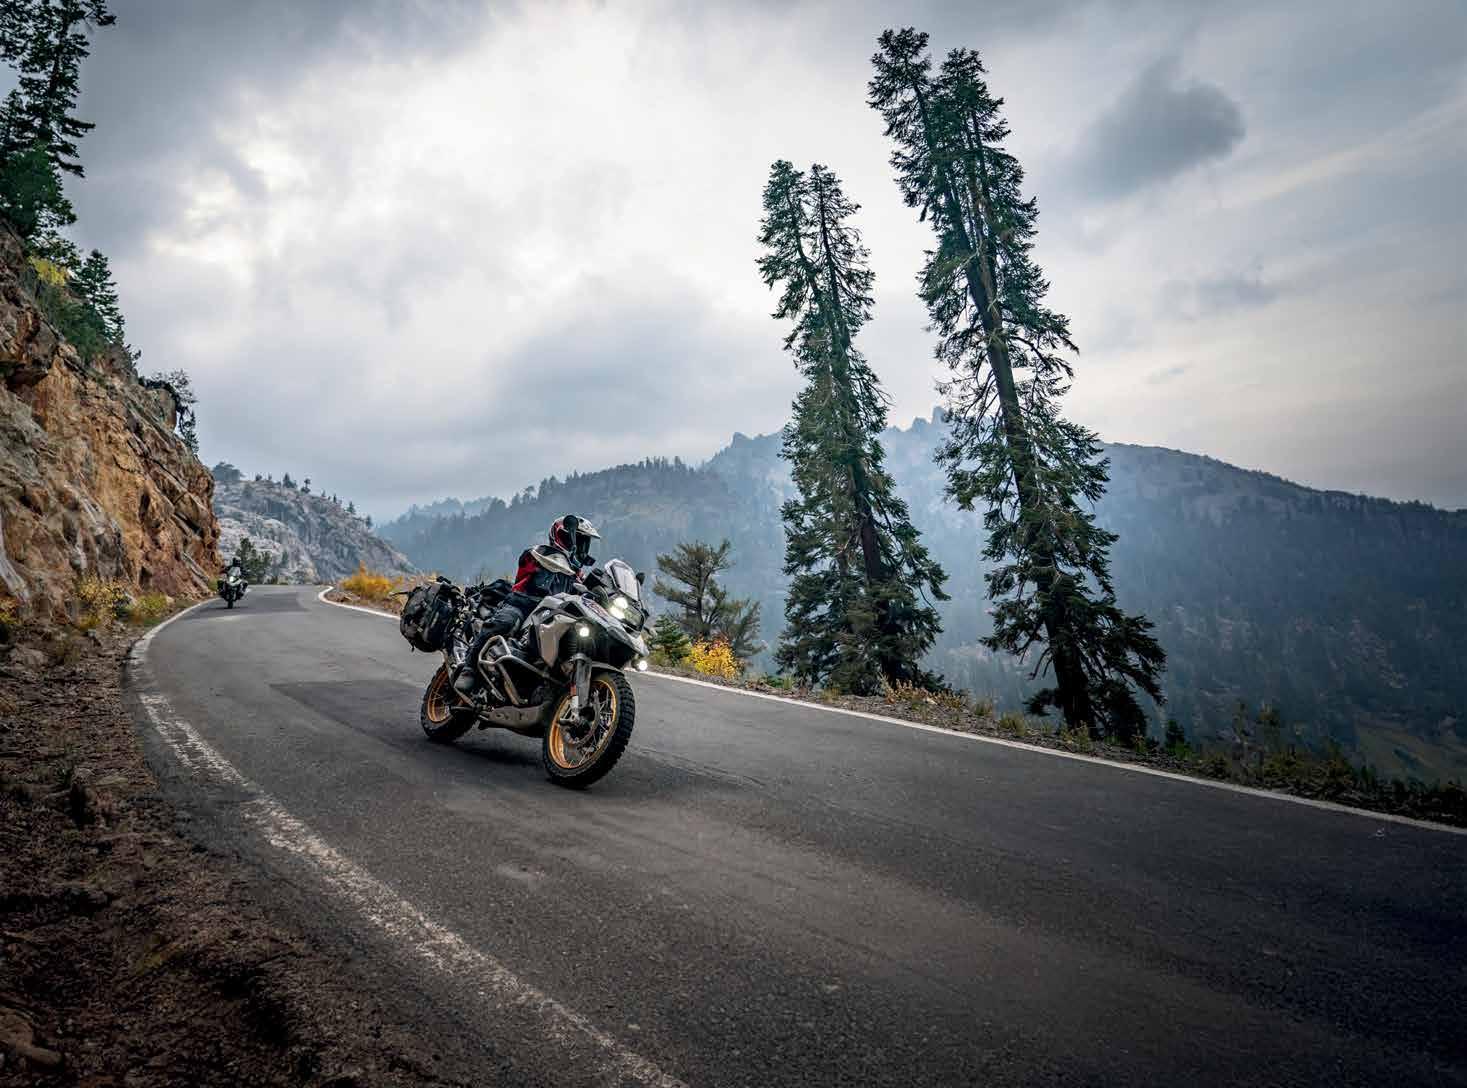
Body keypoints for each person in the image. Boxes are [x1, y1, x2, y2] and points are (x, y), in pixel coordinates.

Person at [451, 514, 601, 702]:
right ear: (563, 537)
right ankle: (469, 668)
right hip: (523, 604)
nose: (581, 547)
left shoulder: (576, 576)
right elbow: (527, 561)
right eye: (577, 540)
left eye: (584, 543)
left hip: (553, 614)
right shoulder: (541, 554)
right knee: (505, 622)